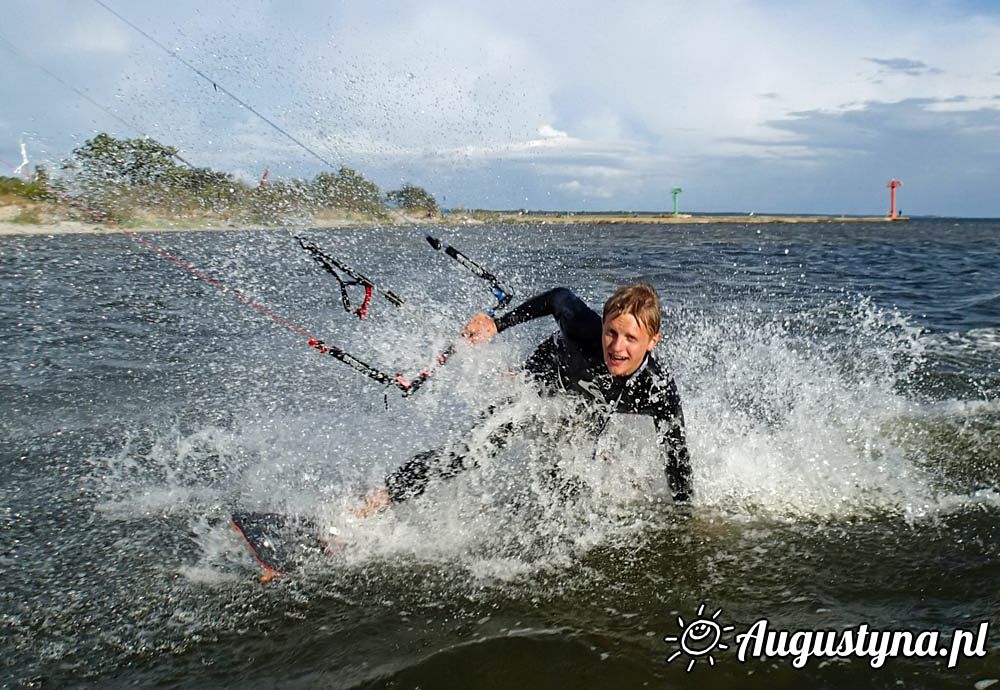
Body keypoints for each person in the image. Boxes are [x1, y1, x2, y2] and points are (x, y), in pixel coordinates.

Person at [355, 284, 692, 516]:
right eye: (611, 333)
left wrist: (686, 517)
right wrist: (497, 324)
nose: (617, 347)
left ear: (652, 341)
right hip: (540, 383)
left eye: (631, 338)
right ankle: (377, 498)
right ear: (601, 326)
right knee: (471, 451)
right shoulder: (583, 329)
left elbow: (678, 460)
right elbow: (558, 297)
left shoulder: (658, 389)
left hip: (586, 407)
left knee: (570, 486)